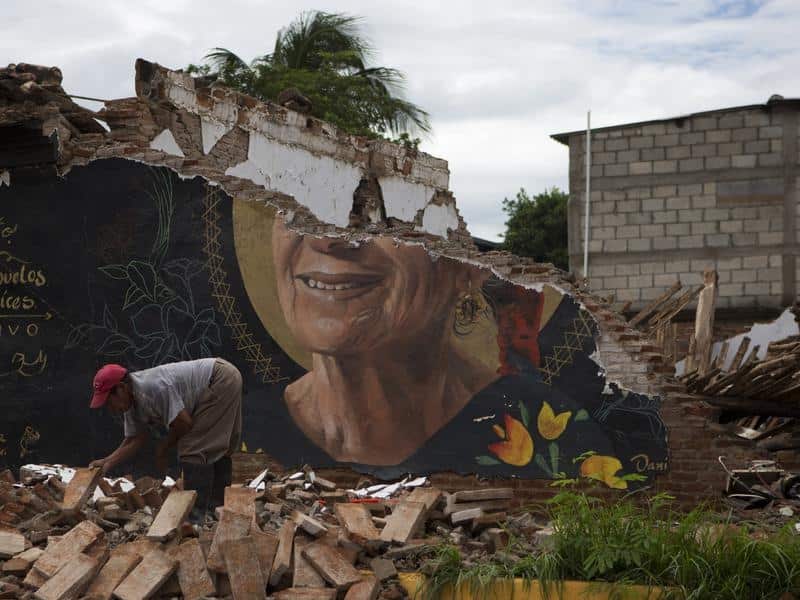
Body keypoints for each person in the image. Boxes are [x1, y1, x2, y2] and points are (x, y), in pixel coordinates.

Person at [88, 357, 242, 518]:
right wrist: (106, 462)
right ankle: (217, 511)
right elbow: (134, 439)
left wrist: (164, 447)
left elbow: (184, 424)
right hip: (222, 377)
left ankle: (197, 518)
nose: (111, 409)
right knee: (214, 448)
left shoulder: (152, 389)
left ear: (121, 388)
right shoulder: (131, 401)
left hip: (219, 378)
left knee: (193, 449)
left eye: (109, 401)